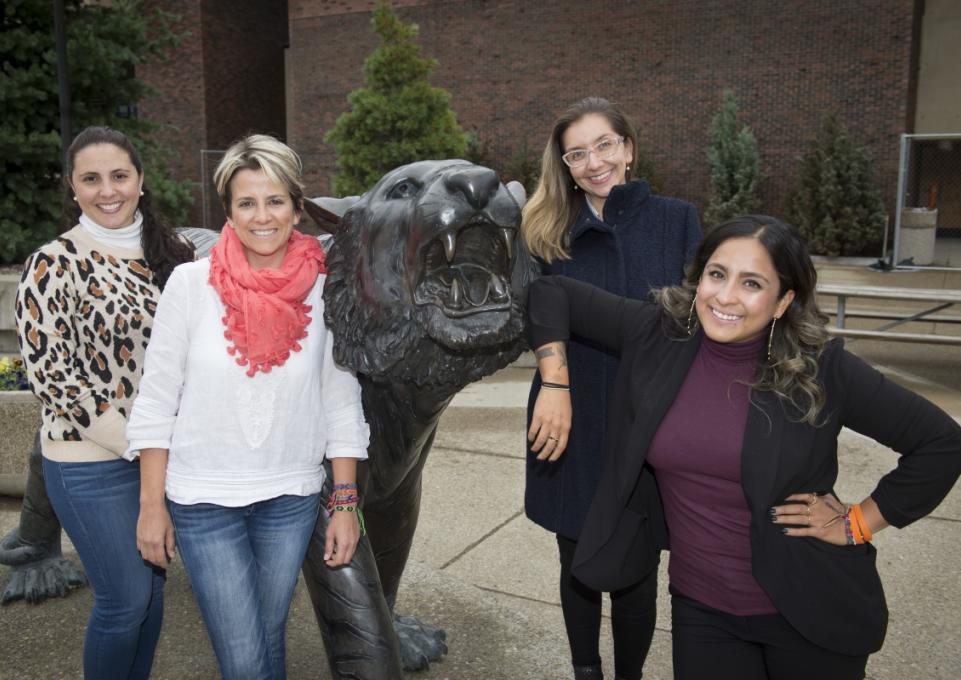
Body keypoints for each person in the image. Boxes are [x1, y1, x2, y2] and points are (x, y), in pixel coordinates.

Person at [526, 215, 961, 680]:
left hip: (810, 609)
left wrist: (859, 521)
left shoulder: (820, 369)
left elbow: (941, 443)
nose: (726, 296)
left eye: (752, 283)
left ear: (783, 301)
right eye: (717, 274)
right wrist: (556, 382)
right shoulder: (658, 333)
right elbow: (551, 292)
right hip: (702, 612)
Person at [127, 134, 369, 679]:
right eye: (246, 203)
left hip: (290, 497)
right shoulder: (190, 286)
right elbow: (156, 401)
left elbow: (340, 399)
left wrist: (346, 502)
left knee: (268, 637)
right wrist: (150, 506)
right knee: (243, 659)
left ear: (296, 206)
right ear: (228, 213)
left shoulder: (325, 292)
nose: (263, 216)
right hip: (203, 500)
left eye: (275, 200)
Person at [520, 96, 701, 680]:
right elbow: (537, 316)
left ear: (627, 148)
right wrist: (554, 383)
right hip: (566, 410)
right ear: (564, 164)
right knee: (575, 556)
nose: (593, 161)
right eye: (577, 153)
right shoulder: (546, 230)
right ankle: (585, 670)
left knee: (636, 566)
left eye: (604, 145)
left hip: (646, 421)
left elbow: (695, 321)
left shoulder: (677, 219)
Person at [15, 125, 194, 679]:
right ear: (73, 188)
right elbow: (54, 379)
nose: (107, 189)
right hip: (88, 463)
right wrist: (143, 448)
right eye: (91, 179)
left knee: (152, 597)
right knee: (124, 602)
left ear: (140, 180)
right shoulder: (53, 263)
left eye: (119, 175)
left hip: (163, 460)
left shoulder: (175, 255)